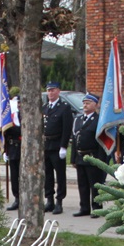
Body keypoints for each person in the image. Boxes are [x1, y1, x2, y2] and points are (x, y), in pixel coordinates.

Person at [70, 93, 108, 217]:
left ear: (95, 105)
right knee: (82, 184)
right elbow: (75, 140)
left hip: (93, 156)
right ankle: (84, 207)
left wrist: (101, 160)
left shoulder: (99, 120)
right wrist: (73, 158)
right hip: (80, 156)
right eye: (84, 103)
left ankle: (97, 208)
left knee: (95, 184)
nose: (85, 105)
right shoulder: (78, 119)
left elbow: (101, 142)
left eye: (88, 103)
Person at [42, 81, 73, 214]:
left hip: (57, 145)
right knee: (47, 174)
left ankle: (59, 200)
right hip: (46, 145)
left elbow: (67, 128)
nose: (50, 93)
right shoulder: (44, 107)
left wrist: (63, 146)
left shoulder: (64, 108)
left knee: (60, 175)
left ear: (58, 91)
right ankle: (49, 200)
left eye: (53, 90)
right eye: (49, 90)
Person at [4, 92, 23, 211]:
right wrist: (5, 150)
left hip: (23, 149)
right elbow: (5, 134)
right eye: (18, 103)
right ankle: (17, 198)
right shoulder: (12, 116)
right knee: (14, 176)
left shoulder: (29, 116)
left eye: (22, 102)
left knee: (24, 175)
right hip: (12, 149)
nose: (20, 105)